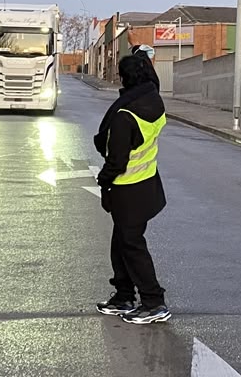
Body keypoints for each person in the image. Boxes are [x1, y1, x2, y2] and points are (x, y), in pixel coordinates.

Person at [92, 53, 171, 325]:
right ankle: (124, 295)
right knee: (122, 242)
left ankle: (153, 301)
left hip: (127, 188)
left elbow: (117, 161)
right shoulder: (154, 102)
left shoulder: (125, 115)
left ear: (127, 77)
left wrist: (103, 181)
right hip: (147, 183)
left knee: (132, 245)